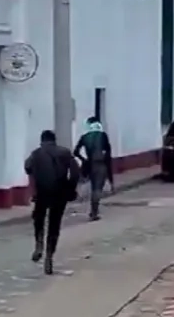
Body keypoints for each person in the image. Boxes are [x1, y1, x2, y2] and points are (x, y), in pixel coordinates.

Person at [24, 130, 80, 274]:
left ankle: (39, 244)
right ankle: (49, 255)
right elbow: (75, 172)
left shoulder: (36, 153)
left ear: (42, 140)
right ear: (54, 140)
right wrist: (71, 189)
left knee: (38, 218)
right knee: (54, 224)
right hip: (60, 192)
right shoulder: (65, 153)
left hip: (42, 192)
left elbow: (27, 167)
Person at [74, 116, 115, 221]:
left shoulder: (85, 136)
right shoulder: (103, 136)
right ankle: (94, 212)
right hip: (101, 164)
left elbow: (75, 152)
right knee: (97, 189)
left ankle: (93, 211)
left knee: (93, 188)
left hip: (90, 164)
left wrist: (84, 160)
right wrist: (111, 178)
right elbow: (108, 154)